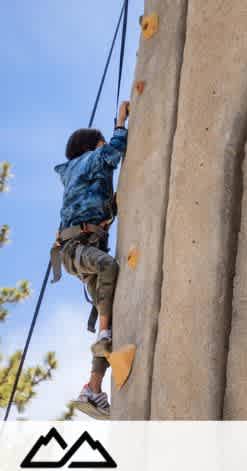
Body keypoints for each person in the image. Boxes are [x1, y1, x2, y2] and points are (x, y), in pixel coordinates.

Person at [53, 100, 130, 419]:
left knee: (108, 313)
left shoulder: (80, 176)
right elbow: (111, 154)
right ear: (89, 147)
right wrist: (120, 124)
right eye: (97, 144)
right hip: (76, 249)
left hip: (83, 247)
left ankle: (93, 388)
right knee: (109, 267)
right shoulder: (84, 163)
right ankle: (104, 332)